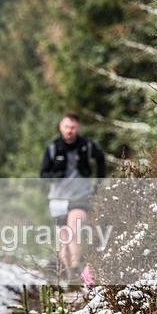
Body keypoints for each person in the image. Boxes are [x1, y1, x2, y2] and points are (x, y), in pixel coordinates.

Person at [39, 113, 105, 281]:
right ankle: (69, 275)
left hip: (81, 196)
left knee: (74, 231)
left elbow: (100, 159)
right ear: (61, 127)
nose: (69, 130)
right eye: (67, 127)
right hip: (58, 199)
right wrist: (55, 176)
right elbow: (43, 174)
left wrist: (99, 183)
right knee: (63, 239)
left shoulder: (87, 146)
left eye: (73, 127)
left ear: (78, 128)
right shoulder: (52, 147)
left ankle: (75, 269)